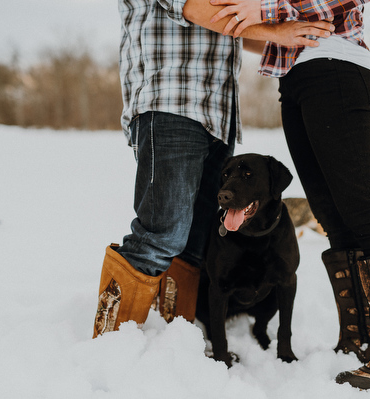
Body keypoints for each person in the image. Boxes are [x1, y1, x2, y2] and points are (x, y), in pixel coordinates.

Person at [202, 0, 370, 393]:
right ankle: (362, 340)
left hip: (337, 69)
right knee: (333, 216)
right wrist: (256, 27)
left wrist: (265, 9)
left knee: (364, 209)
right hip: (297, 78)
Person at [92, 0, 333, 337]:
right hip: (171, 101)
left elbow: (233, 32)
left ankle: (172, 340)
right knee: (163, 234)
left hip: (218, 116)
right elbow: (197, 8)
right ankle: (110, 342)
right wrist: (274, 30)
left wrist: (295, 39)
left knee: (196, 242)